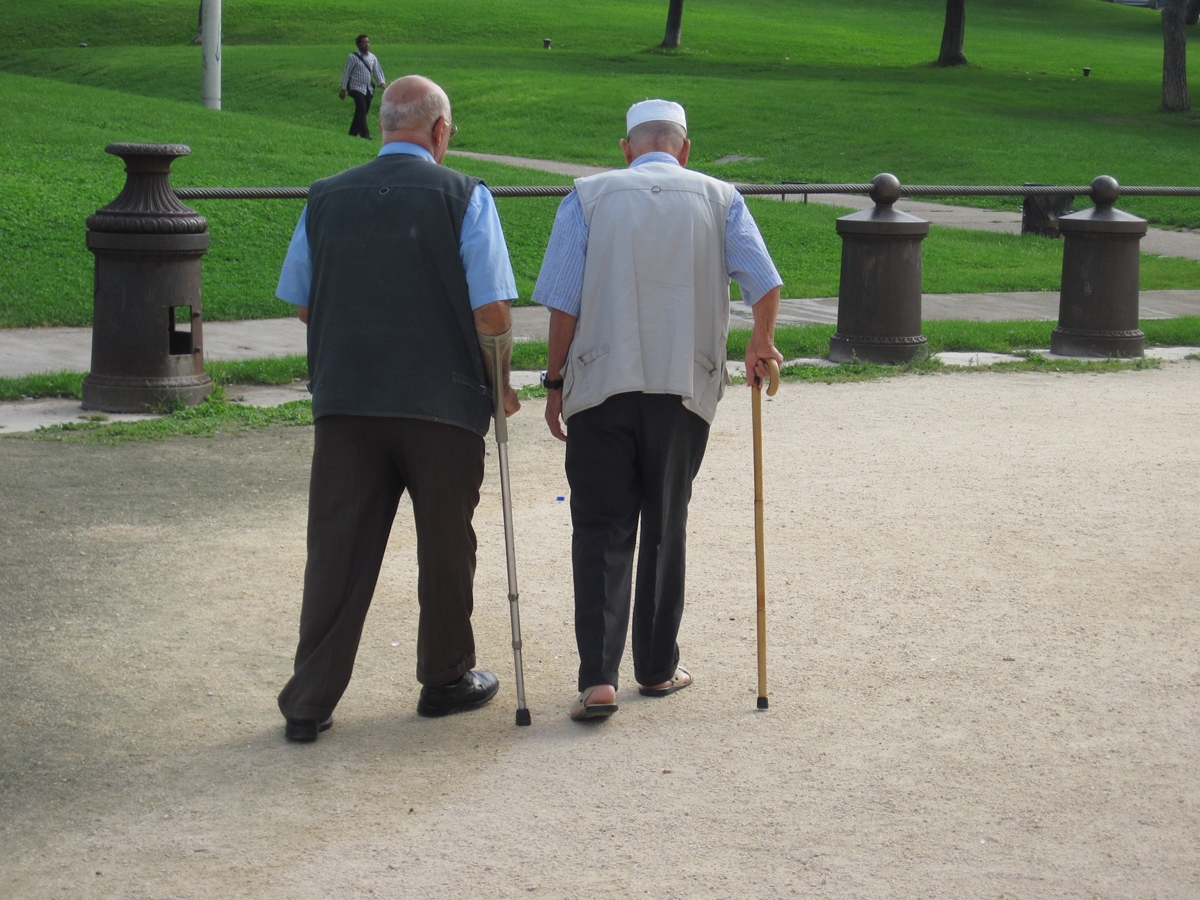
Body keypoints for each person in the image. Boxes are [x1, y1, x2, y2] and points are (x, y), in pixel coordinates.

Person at [274, 75, 520, 742]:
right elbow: (492, 311)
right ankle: (444, 677)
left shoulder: (323, 199)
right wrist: (500, 385)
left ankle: (309, 700)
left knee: (336, 548)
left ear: (384, 126)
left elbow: (302, 301)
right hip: (441, 401)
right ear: (439, 131)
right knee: (446, 544)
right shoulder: (466, 195)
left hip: (347, 398)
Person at [533, 99, 784, 721]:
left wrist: (555, 380)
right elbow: (765, 282)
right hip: (682, 386)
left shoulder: (589, 196)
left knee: (601, 526)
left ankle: (598, 677)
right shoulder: (719, 197)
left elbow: (562, 303)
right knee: (666, 523)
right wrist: (761, 342)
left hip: (600, 384)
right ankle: (656, 665)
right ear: (685, 149)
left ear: (626, 148)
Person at [339, 34, 386, 139]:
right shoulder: (353, 57)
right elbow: (347, 72)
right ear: (358, 44)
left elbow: (377, 71)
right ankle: (365, 135)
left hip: (368, 89)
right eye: (364, 42)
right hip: (355, 87)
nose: (366, 44)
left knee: (362, 111)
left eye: (368, 42)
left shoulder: (372, 57)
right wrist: (343, 88)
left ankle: (352, 133)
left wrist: (382, 84)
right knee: (361, 108)